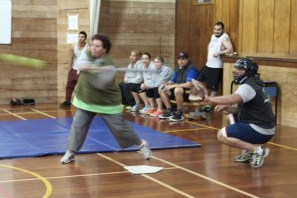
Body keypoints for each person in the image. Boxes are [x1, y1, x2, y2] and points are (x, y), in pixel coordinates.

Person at [60, 34, 152, 164]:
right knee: (78, 125)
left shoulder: (109, 64)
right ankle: (70, 152)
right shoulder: (88, 51)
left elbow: (99, 85)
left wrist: (99, 71)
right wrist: (92, 67)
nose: (93, 48)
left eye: (97, 46)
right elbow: (80, 64)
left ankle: (142, 144)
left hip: (106, 102)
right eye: (93, 45)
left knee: (120, 128)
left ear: (105, 49)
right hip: (86, 98)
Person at [203, 58, 276, 168]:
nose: (237, 71)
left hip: (260, 129)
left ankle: (258, 150)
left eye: (241, 69)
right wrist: (227, 108)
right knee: (230, 117)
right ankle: (249, 151)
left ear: (249, 71)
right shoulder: (257, 83)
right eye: (236, 68)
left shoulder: (248, 87)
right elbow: (241, 107)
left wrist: (210, 99)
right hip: (266, 127)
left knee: (221, 135)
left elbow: (232, 99)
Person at [198, 21, 233, 112]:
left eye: (219, 30)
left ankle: (209, 106)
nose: (216, 31)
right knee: (198, 81)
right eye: (215, 29)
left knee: (214, 88)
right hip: (208, 64)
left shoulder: (225, 38)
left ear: (222, 30)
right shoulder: (213, 36)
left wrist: (219, 52)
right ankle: (203, 97)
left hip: (216, 67)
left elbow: (230, 49)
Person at [158, 52, 199, 122]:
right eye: (179, 59)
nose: (181, 61)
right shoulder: (177, 68)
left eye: (183, 59)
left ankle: (180, 112)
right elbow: (172, 81)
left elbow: (189, 84)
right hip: (177, 91)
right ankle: (170, 110)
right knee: (161, 89)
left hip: (189, 93)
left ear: (187, 59)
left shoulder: (192, 69)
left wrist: (173, 86)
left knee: (177, 89)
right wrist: (165, 84)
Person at [60, 31, 89, 107]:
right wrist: (69, 69)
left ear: (85, 38)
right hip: (74, 69)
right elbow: (70, 58)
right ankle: (67, 101)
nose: (80, 38)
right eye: (79, 36)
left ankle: (85, 101)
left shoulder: (88, 47)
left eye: (82, 37)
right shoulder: (73, 46)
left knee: (83, 87)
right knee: (69, 85)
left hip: (83, 70)